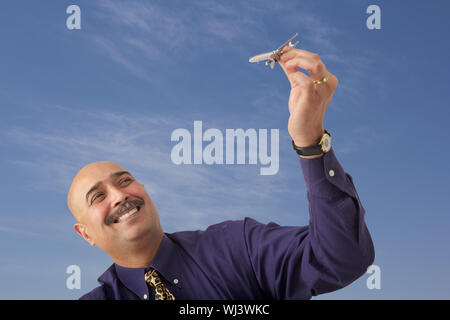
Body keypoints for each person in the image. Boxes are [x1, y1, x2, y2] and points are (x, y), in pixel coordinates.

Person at [67, 46, 374, 300]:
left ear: (144, 189)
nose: (120, 194)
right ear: (85, 233)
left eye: (125, 181)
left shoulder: (236, 246)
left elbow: (341, 259)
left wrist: (310, 143)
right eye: (98, 196)